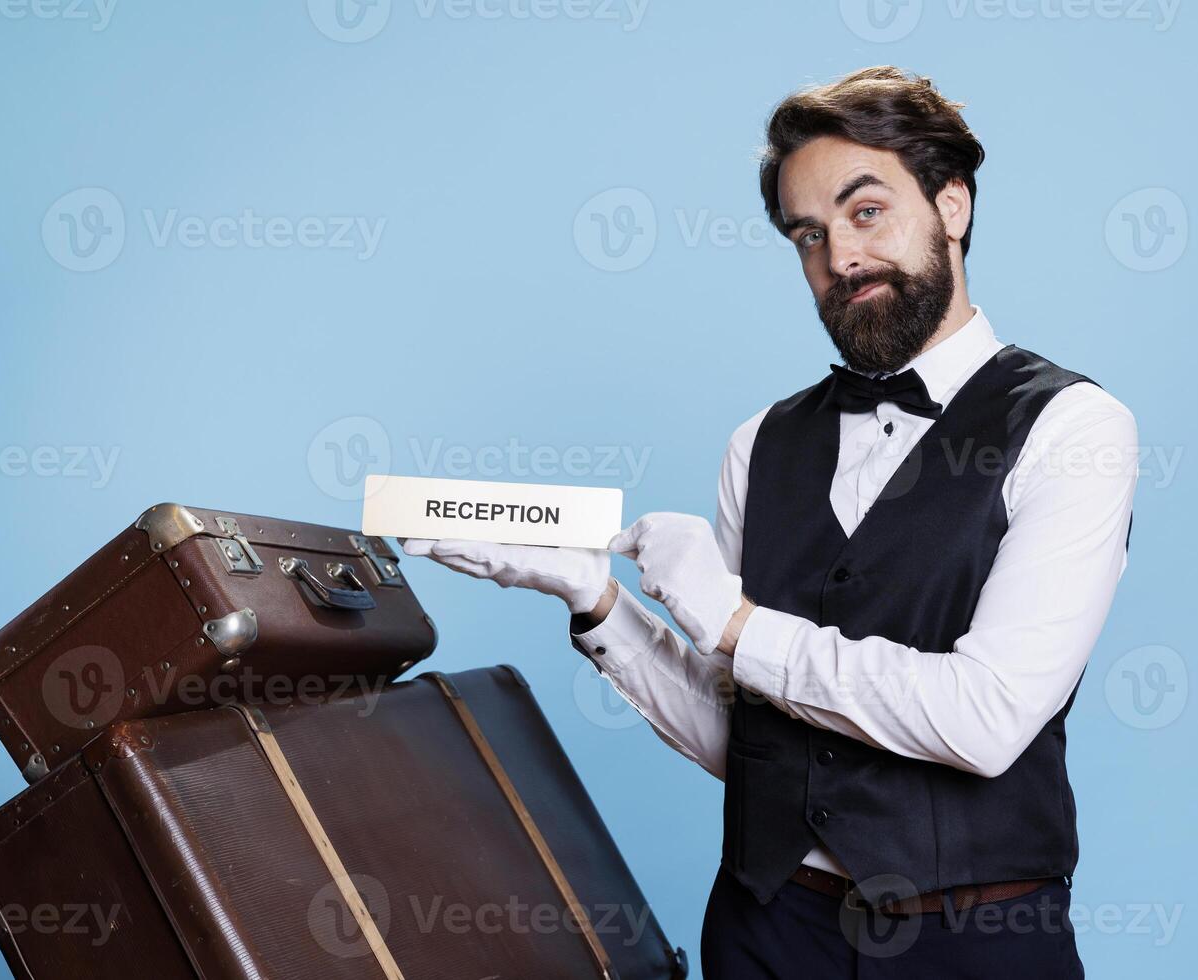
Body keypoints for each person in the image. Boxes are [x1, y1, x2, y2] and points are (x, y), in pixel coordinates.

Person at [405, 65, 1137, 978]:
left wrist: (735, 622)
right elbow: (748, 746)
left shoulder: (1074, 427)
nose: (840, 257)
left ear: (952, 205)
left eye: (866, 211)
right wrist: (598, 604)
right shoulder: (761, 443)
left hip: (975, 945)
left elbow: (985, 718)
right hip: (766, 931)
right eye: (808, 235)